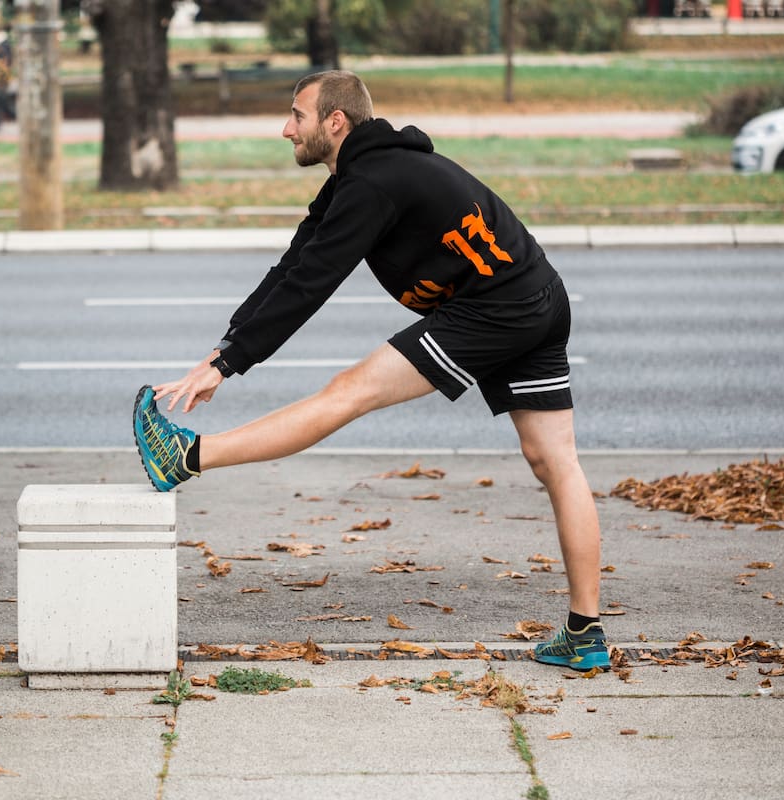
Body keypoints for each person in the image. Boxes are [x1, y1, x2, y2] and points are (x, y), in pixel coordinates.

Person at [132, 70, 609, 673]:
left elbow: (311, 285)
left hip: (497, 308)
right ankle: (585, 633)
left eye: (297, 116)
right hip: (536, 292)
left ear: (336, 122)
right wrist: (223, 350)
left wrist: (231, 363)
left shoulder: (372, 184)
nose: (286, 129)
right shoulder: (359, 177)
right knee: (555, 462)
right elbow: (295, 261)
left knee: (346, 393)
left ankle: (187, 457)